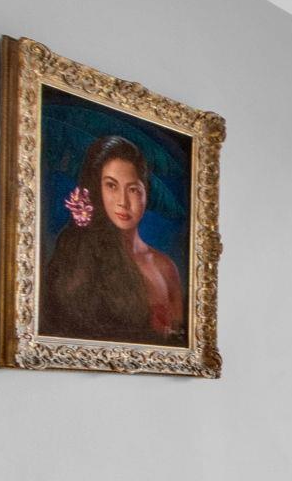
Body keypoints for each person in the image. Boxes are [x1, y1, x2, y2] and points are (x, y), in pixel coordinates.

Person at [39, 135, 185, 344]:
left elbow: (177, 341)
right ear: (97, 190)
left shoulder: (165, 267)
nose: (123, 202)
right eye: (111, 186)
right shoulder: (77, 252)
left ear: (146, 193)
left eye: (133, 189)